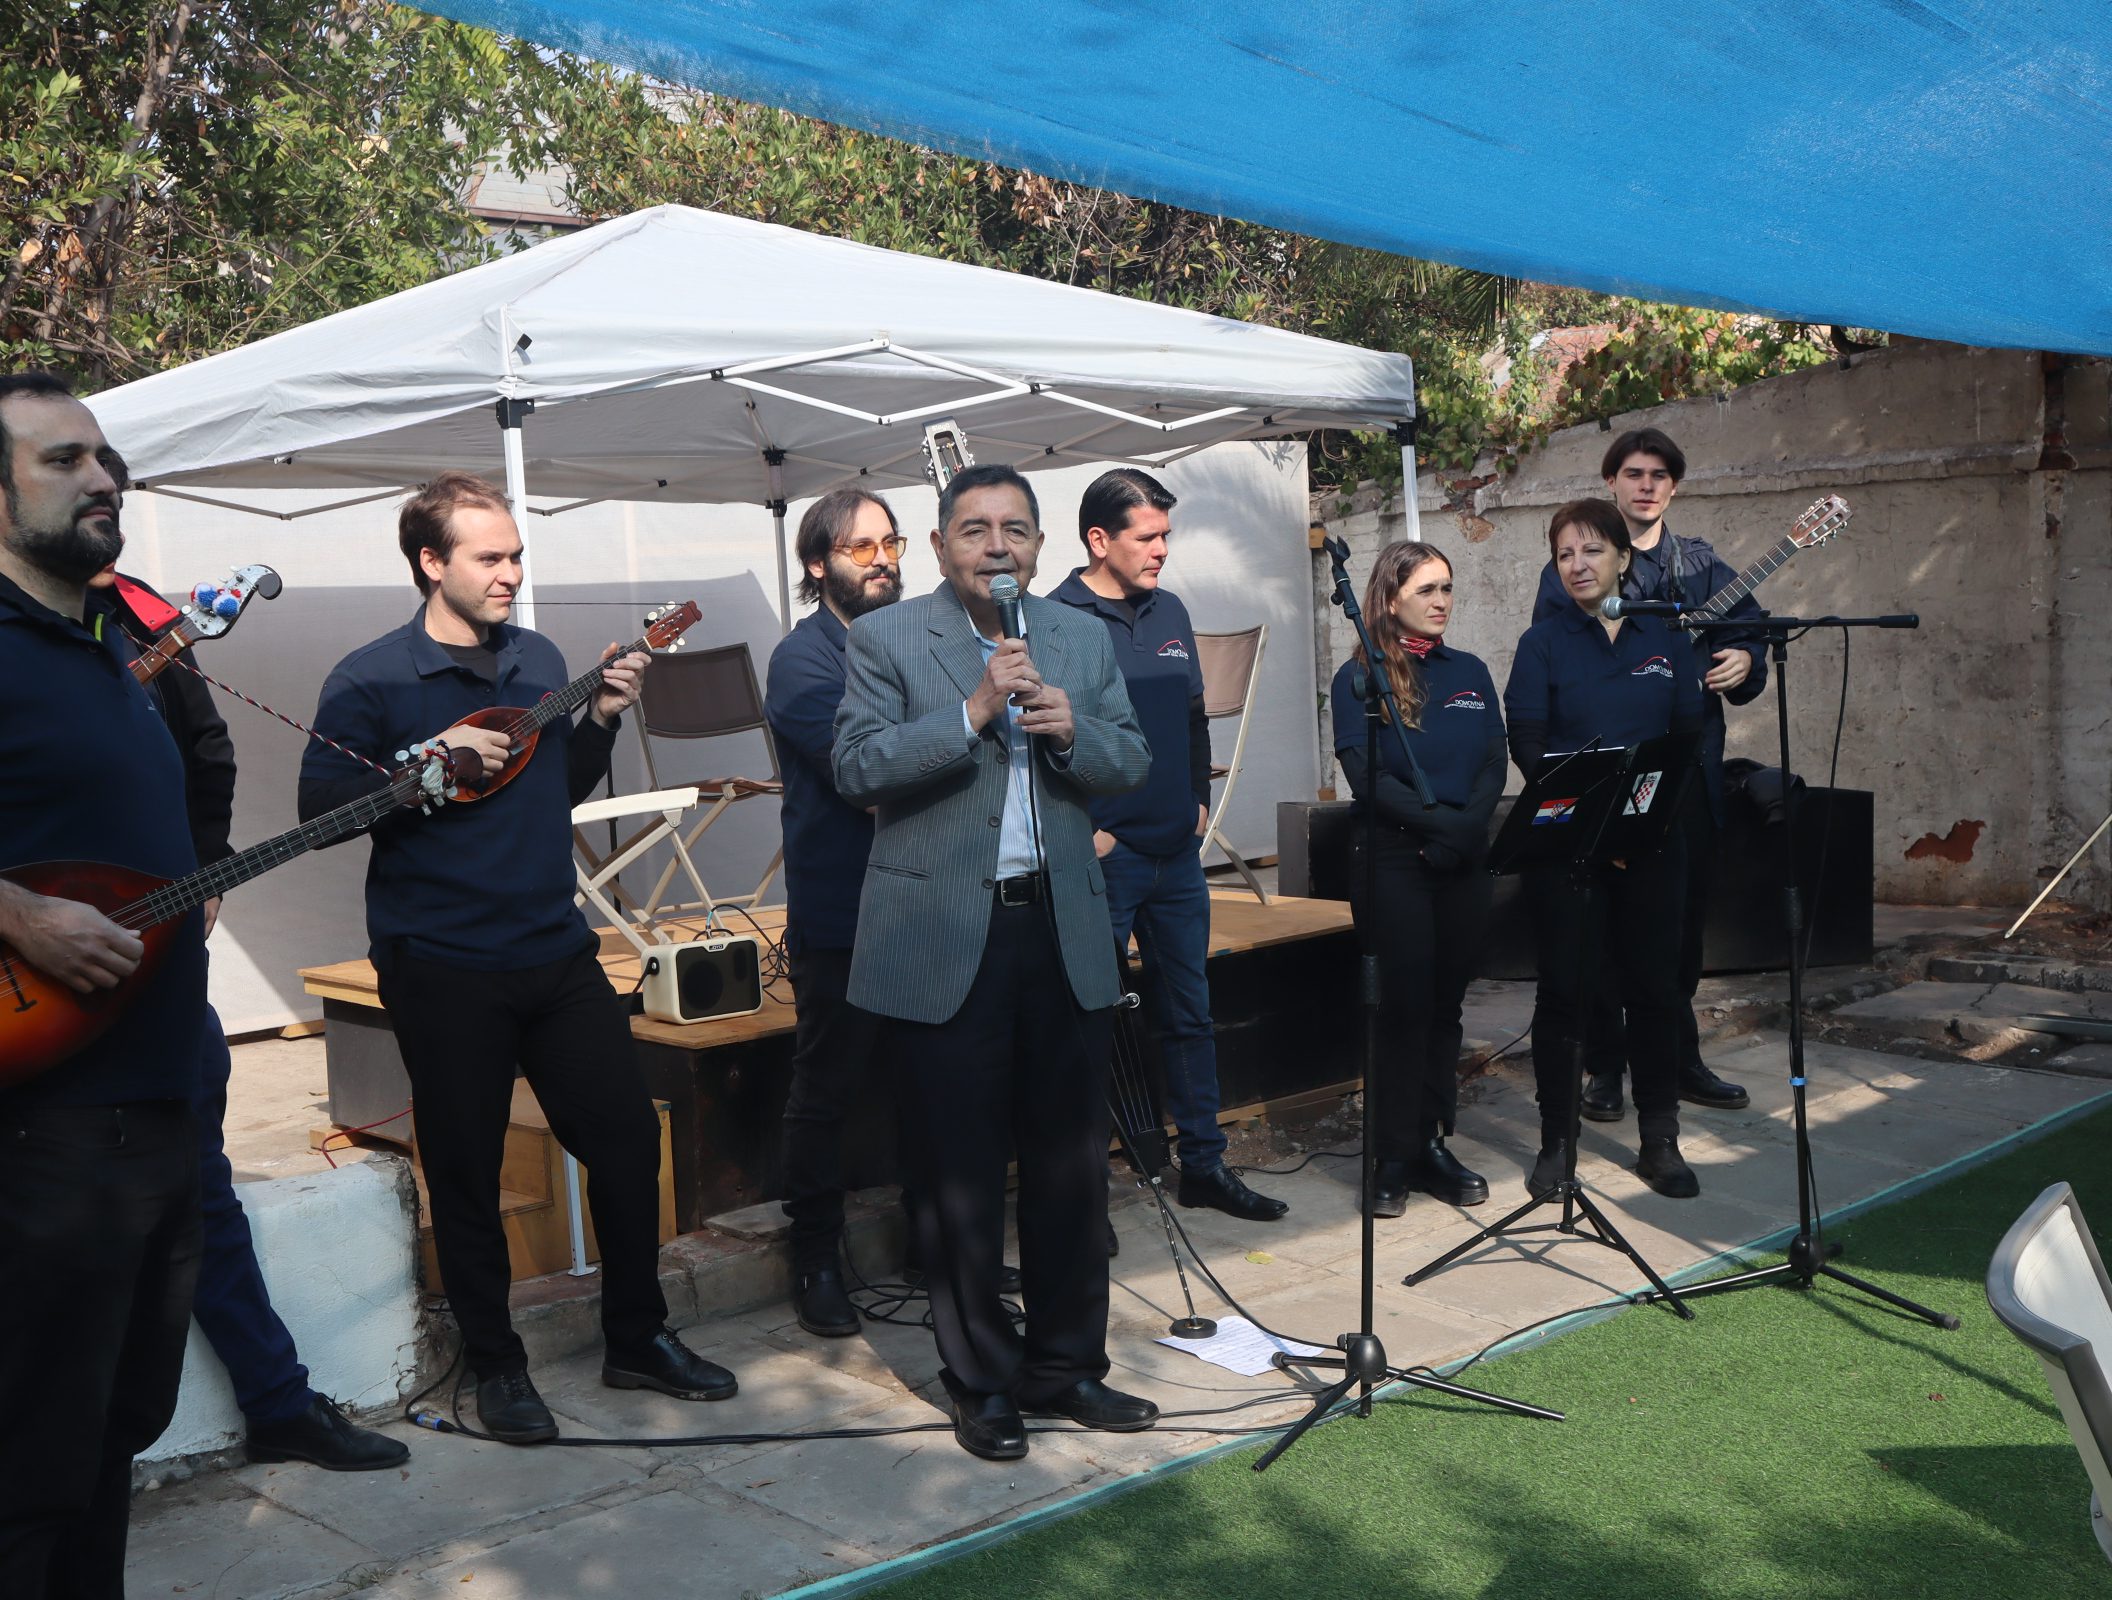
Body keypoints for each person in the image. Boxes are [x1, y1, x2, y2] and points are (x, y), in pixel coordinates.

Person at [298, 470, 735, 1445]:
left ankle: (637, 1337)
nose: (510, 573)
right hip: (441, 961)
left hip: (554, 950)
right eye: (490, 557)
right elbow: (317, 815)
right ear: (429, 562)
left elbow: (556, 789)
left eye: (516, 554)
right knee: (466, 1171)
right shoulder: (370, 680)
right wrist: (424, 764)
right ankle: (498, 1367)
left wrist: (608, 714)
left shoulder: (538, 658)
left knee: (625, 1142)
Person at [833, 462, 1154, 1462]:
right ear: (939, 548)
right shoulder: (885, 636)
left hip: (1057, 933)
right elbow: (854, 767)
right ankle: (981, 1380)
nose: (997, 545)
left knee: (1069, 1171)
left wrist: (1074, 733)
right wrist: (971, 712)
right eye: (974, 529)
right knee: (959, 1176)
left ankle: (1067, 1367)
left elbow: (1131, 762)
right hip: (944, 942)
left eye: (1015, 528)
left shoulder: (1079, 637)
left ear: (1041, 547)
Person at [96, 566, 408, 1472]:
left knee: (199, 1188)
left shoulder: (133, 611)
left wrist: (200, 882)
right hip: (27, 988)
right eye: (61, 461)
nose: (97, 494)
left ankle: (275, 1404)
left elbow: (209, 753)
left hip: (152, 964)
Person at [0, 372, 206, 1597]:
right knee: (33, 1460)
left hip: (162, 1103)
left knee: (115, 1431)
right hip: (48, 1134)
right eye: (65, 459)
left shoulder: (105, 642)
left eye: (108, 457)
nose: (103, 478)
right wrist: (18, 911)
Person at [1051, 468, 1286, 1225]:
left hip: (1175, 856)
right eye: (1147, 537)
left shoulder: (1173, 610)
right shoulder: (1056, 619)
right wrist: (1085, 830)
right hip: (1104, 860)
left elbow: (1191, 718)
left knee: (1189, 1012)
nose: (1161, 551)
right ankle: (1080, 1193)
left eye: (1165, 537)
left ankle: (1205, 1167)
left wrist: (1198, 804)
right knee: (1084, 1024)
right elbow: (1040, 743)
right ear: (1099, 539)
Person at [1530, 427, 1767, 1120]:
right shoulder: (1576, 564)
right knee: (1604, 929)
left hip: (1689, 769)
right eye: (1633, 472)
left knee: (1682, 924)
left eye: (1660, 475)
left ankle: (1678, 1057)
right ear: (1611, 482)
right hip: (1609, 771)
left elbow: (1746, 627)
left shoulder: (1699, 564)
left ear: (1674, 487)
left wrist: (1743, 661)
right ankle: (1606, 1066)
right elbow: (1564, 648)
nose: (1646, 484)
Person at [1506, 498, 1705, 1200]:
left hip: (1653, 846)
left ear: (1624, 555)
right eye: (1564, 554)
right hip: (1570, 853)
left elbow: (1687, 743)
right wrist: (1597, 824)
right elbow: (1528, 743)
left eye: (1591, 550)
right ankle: (1557, 1144)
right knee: (1565, 993)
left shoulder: (1666, 638)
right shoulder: (1543, 644)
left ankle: (1660, 1140)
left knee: (1655, 990)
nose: (1577, 565)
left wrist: (1637, 827)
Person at [763, 487, 910, 1338]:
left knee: (935, 1082)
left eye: (889, 542)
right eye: (861, 547)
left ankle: (937, 1242)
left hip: (930, 897)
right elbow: (870, 775)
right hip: (848, 910)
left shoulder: (925, 642)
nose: (882, 558)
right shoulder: (803, 660)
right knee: (827, 1089)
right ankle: (815, 1258)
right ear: (819, 565)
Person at [1329, 540, 1505, 1215]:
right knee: (1400, 1011)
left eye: (1447, 589)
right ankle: (1390, 1155)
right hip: (1396, 859)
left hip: (1462, 858)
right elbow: (1366, 776)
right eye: (1428, 589)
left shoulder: (1470, 671)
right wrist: (1443, 830)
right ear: (1391, 596)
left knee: (1444, 1010)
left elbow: (1495, 759)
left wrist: (1464, 832)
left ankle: (1432, 1142)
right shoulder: (1361, 677)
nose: (1441, 601)